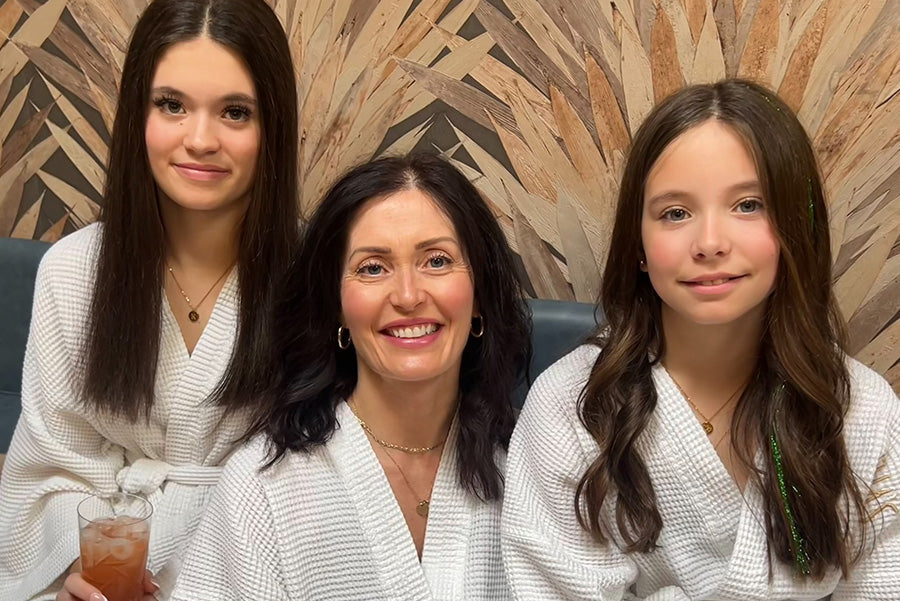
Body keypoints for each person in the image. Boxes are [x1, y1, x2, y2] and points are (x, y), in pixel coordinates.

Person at [501, 79, 900, 600]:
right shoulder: (570, 406)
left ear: (797, 232)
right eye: (675, 213)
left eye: (749, 205)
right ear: (638, 245)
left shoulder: (862, 411)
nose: (710, 243)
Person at [0, 0, 298, 599]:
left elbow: (330, 477)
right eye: (172, 105)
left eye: (235, 112)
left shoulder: (316, 279)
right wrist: (78, 574)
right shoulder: (73, 273)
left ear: (273, 128)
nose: (200, 139)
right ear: (138, 113)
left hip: (252, 568)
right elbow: (49, 470)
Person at [170, 153, 532, 599]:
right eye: (372, 267)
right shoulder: (263, 488)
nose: (407, 295)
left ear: (479, 295)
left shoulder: (536, 464)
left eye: (437, 261)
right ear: (336, 305)